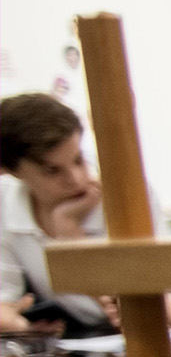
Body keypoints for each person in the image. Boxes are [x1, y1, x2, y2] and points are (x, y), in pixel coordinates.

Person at [0, 93, 106, 333]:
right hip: (85, 340)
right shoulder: (6, 200)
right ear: (12, 172)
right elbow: (5, 301)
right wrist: (17, 324)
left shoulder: (126, 194)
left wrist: (70, 233)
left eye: (79, 159)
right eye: (52, 171)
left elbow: (133, 311)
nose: (76, 179)